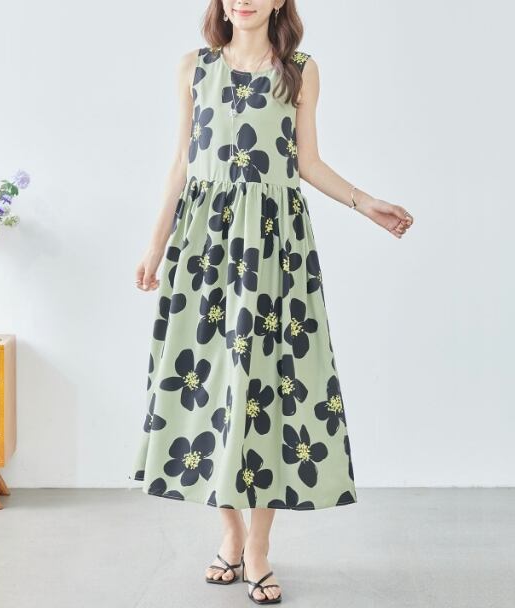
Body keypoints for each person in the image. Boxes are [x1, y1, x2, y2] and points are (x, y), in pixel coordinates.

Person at [130, 0, 414, 604]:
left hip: (273, 248)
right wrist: (155, 245)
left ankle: (257, 548)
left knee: (266, 392)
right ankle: (230, 535)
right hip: (205, 248)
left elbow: (306, 162)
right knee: (212, 390)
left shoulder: (300, 70)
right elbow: (181, 162)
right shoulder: (194, 67)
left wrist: (366, 203)